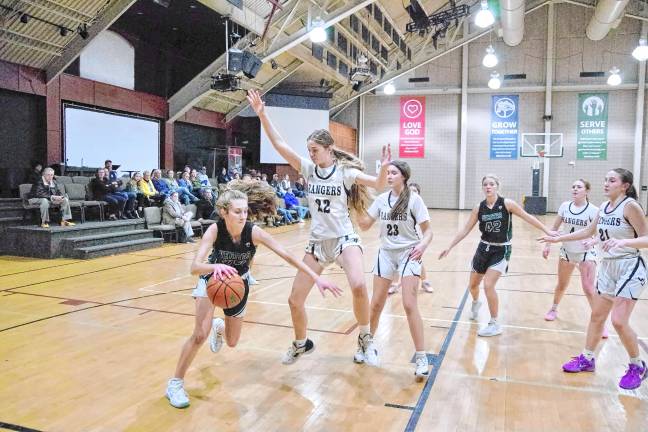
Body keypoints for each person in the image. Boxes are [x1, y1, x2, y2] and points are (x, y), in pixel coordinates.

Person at [248, 89, 390, 366]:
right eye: (309, 150)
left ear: (328, 148)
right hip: (316, 243)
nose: (310, 155)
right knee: (294, 300)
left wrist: (384, 168)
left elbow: (379, 184)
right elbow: (278, 144)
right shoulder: (309, 169)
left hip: (343, 239)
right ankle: (301, 344)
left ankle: (365, 338)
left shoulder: (345, 172)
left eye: (314, 150)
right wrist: (262, 114)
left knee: (359, 285)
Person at [165, 189, 341, 408]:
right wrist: (216, 266)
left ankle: (218, 327)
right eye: (237, 211)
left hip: (238, 285)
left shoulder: (254, 232)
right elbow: (194, 267)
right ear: (224, 212)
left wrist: (316, 277)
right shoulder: (214, 230)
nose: (243, 215)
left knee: (232, 342)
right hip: (211, 280)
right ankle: (175, 384)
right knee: (199, 334)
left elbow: (286, 254)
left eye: (246, 211)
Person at [539, 169, 648, 390]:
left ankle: (638, 365)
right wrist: (558, 237)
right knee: (597, 316)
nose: (606, 183)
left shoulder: (630, 206)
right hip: (608, 266)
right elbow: (588, 231)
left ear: (624, 185)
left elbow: (646, 238)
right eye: (605, 179)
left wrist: (624, 243)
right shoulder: (605, 207)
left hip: (629, 265)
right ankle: (587, 358)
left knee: (618, 321)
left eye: (612, 180)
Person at [438, 174, 555, 337]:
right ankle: (475, 302)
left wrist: (547, 231)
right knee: (472, 286)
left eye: (491, 184)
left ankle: (494, 323)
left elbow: (528, 217)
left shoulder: (507, 204)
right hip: (483, 248)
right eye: (485, 184)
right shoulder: (479, 208)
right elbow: (465, 229)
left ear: (497, 186)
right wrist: (449, 246)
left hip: (501, 250)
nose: (488, 187)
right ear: (482, 187)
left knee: (488, 285)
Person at [357, 161, 433, 381]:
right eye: (387, 172)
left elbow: (428, 232)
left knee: (409, 304)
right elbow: (364, 225)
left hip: (410, 252)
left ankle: (421, 357)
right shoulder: (381, 200)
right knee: (377, 303)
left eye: (393, 173)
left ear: (404, 177)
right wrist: (353, 202)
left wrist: (423, 245)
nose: (389, 176)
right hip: (386, 253)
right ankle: (365, 345)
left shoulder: (414, 200)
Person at [541, 179, 606, 336]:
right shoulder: (565, 206)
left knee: (589, 289)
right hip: (567, 251)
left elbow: (602, 233)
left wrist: (592, 241)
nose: (575, 189)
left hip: (586, 253)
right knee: (561, 285)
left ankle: (600, 322)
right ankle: (554, 308)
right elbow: (554, 228)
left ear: (587, 191)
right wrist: (547, 245)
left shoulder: (594, 210)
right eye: (573, 186)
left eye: (579, 187)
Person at [387, 182, 433, 295]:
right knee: (396, 261)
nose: (412, 193)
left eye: (415, 191)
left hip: (415, 239)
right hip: (400, 239)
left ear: (419, 194)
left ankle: (425, 281)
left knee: (417, 260)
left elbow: (426, 227)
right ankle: (394, 283)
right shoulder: (399, 205)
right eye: (410, 190)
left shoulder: (420, 206)